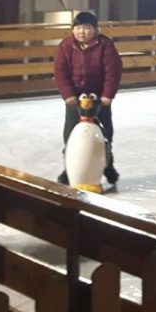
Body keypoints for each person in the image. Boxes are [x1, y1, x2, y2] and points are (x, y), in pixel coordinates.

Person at [54, 11, 123, 188]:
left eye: (86, 27)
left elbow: (112, 72)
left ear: (95, 29)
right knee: (70, 135)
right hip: (75, 100)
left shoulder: (105, 45)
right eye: (77, 28)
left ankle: (108, 166)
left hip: (99, 99)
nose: (81, 32)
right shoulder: (66, 45)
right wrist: (68, 95)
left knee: (104, 135)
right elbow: (60, 72)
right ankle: (69, 169)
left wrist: (107, 95)